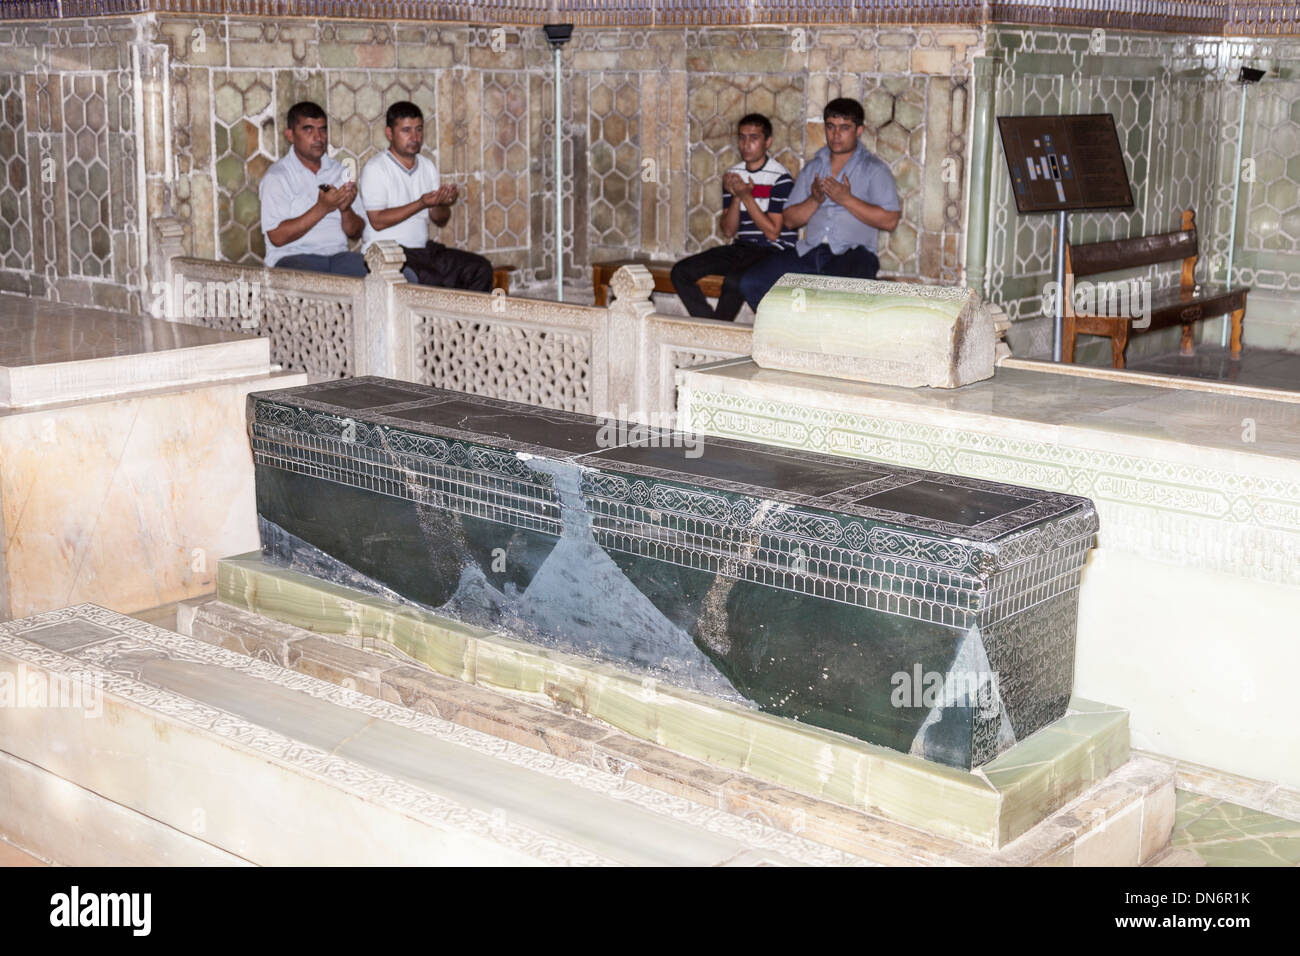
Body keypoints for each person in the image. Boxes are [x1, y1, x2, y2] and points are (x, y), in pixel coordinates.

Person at [739, 98, 900, 311]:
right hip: (811, 250)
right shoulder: (813, 167)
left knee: (839, 302)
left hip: (853, 254)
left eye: (844, 128)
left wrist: (847, 199)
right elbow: (789, 220)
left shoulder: (874, 169)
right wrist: (814, 200)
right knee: (752, 282)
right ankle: (792, 336)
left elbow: (890, 221)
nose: (836, 135)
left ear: (859, 130)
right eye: (831, 127)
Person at [669, 113, 797, 322]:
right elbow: (728, 231)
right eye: (742, 137)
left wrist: (746, 196)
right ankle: (711, 327)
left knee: (735, 281)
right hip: (742, 247)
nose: (746, 144)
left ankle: (712, 333)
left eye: (754, 138)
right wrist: (737, 197)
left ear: (767, 142)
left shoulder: (780, 178)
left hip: (772, 250)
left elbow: (773, 233)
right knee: (680, 272)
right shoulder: (734, 175)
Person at [358, 101, 493, 291]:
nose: (415, 137)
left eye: (419, 130)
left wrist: (442, 203)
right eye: (406, 130)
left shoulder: (427, 166)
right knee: (431, 281)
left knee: (479, 268)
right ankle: (444, 322)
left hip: (422, 251)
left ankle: (468, 322)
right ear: (390, 133)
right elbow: (377, 221)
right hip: (387, 254)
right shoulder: (376, 168)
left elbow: (440, 219)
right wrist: (421, 203)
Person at [259, 101, 367, 276]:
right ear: (290, 135)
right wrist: (322, 208)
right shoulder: (277, 177)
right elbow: (277, 237)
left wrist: (346, 210)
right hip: (293, 258)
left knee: (395, 279)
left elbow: (355, 233)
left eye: (322, 130)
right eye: (308, 130)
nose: (318, 137)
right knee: (321, 283)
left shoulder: (340, 172)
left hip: (338, 257)